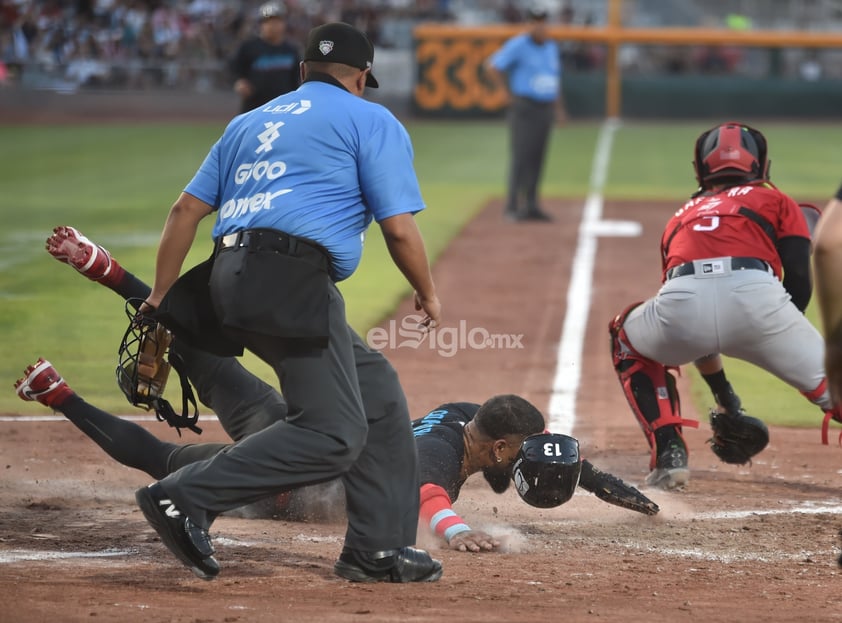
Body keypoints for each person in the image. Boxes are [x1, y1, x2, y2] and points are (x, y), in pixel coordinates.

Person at [21, 226, 658, 553]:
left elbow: (537, 441)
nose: (518, 458)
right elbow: (429, 494)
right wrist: (461, 534)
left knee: (208, 360)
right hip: (277, 479)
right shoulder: (436, 459)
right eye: (515, 453)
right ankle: (58, 395)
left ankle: (108, 270)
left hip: (292, 420)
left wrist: (605, 485)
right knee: (162, 462)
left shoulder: (462, 419)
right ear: (495, 449)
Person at [107, 22, 442, 583]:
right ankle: (184, 496)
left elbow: (184, 212)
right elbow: (399, 229)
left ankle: (375, 550)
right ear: (362, 78)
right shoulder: (370, 118)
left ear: (303, 71)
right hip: (289, 279)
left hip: (226, 277)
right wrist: (428, 293)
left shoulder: (248, 121)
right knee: (333, 433)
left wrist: (163, 294)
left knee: (378, 395)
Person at [608, 121, 841, 490]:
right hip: (759, 299)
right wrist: (775, 333)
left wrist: (724, 396)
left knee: (625, 336)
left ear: (701, 168)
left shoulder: (682, 215)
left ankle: (669, 453)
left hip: (683, 300)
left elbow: (697, 315)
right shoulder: (775, 198)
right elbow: (797, 275)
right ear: (761, 165)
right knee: (837, 389)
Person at [485, 6, 567, 223]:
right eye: (535, 20)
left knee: (538, 156)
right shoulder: (519, 44)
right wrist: (504, 93)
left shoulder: (550, 46)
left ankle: (531, 204)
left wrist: (559, 110)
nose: (539, 24)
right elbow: (493, 66)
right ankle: (512, 205)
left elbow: (554, 79)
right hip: (525, 106)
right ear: (529, 23)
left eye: (543, 20)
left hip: (545, 107)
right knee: (521, 156)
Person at [230, 2, 301, 114]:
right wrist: (239, 82)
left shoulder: (291, 50)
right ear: (261, 24)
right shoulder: (249, 47)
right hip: (255, 107)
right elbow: (234, 69)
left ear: (284, 23)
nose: (273, 25)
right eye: (268, 22)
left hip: (283, 107)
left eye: (277, 21)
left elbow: (296, 77)